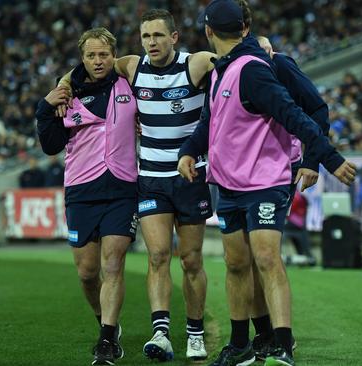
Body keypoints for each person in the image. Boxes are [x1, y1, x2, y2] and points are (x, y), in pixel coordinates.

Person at [178, 1, 357, 365]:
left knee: (265, 259)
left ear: (209, 31)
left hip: (265, 181)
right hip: (228, 184)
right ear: (242, 28)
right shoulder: (220, 71)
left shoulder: (255, 68)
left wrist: (326, 159)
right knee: (237, 263)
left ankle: (283, 345)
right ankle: (243, 344)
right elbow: (208, 122)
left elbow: (296, 115)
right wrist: (188, 150)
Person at [56, 9, 218, 362]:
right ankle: (161, 332)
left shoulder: (196, 64)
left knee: (190, 260)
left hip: (191, 177)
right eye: (146, 36)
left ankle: (194, 332)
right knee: (158, 256)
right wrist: (62, 87)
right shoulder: (132, 67)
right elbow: (82, 69)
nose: (152, 43)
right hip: (150, 179)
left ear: (173, 38)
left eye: (159, 36)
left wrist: (263, 51)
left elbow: (227, 60)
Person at [35, 28, 138, 366]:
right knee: (87, 272)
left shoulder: (129, 83)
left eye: (104, 55)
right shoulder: (68, 94)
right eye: (91, 56)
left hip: (122, 187)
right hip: (80, 191)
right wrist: (44, 108)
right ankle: (104, 322)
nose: (98, 61)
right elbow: (51, 146)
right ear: (82, 58)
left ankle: (107, 340)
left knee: (112, 264)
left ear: (114, 56)